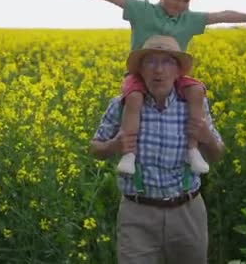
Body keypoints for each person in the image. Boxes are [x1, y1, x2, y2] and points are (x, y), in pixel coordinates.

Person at [51, 0, 246, 175]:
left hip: (174, 78)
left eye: (185, 0)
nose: (180, 5)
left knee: (197, 91)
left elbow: (223, 15)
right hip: (140, 76)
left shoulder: (188, 20)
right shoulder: (143, 11)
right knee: (134, 99)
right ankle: (128, 155)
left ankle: (192, 151)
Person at [90, 35, 225, 263]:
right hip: (137, 213)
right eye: (150, 62)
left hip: (187, 210)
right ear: (140, 70)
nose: (158, 70)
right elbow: (94, 148)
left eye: (167, 62)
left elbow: (217, 154)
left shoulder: (195, 105)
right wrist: (113, 146)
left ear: (178, 71)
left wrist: (207, 138)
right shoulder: (122, 104)